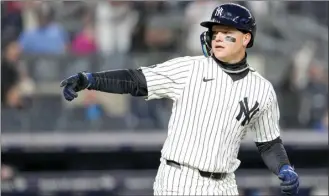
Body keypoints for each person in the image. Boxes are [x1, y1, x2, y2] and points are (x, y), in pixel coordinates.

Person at [60, 3, 299, 195]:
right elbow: (135, 80)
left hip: (225, 184)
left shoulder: (262, 89)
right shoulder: (190, 69)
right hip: (180, 179)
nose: (217, 38)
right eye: (214, 32)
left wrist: (284, 167)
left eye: (226, 33)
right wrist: (90, 79)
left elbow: (269, 143)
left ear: (246, 39)